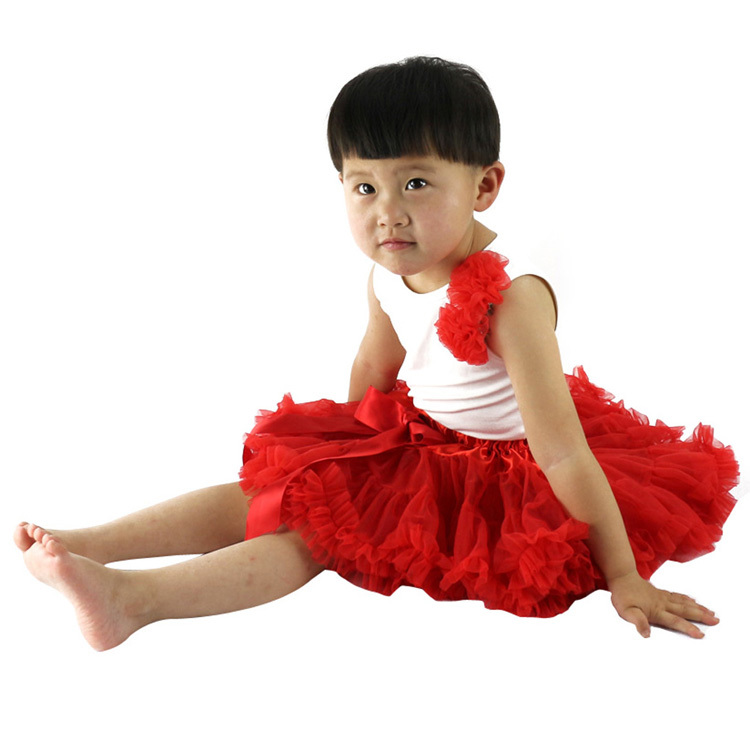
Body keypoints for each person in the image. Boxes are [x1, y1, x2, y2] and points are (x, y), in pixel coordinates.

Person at [14, 57, 739, 651]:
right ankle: (93, 543)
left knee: (320, 537)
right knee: (288, 490)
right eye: (365, 186)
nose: (387, 211)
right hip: (421, 437)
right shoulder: (389, 270)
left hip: (508, 475)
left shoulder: (511, 301)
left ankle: (134, 601)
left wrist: (624, 576)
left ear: (484, 185)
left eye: (416, 183)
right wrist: (338, 456)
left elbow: (564, 454)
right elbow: (375, 365)